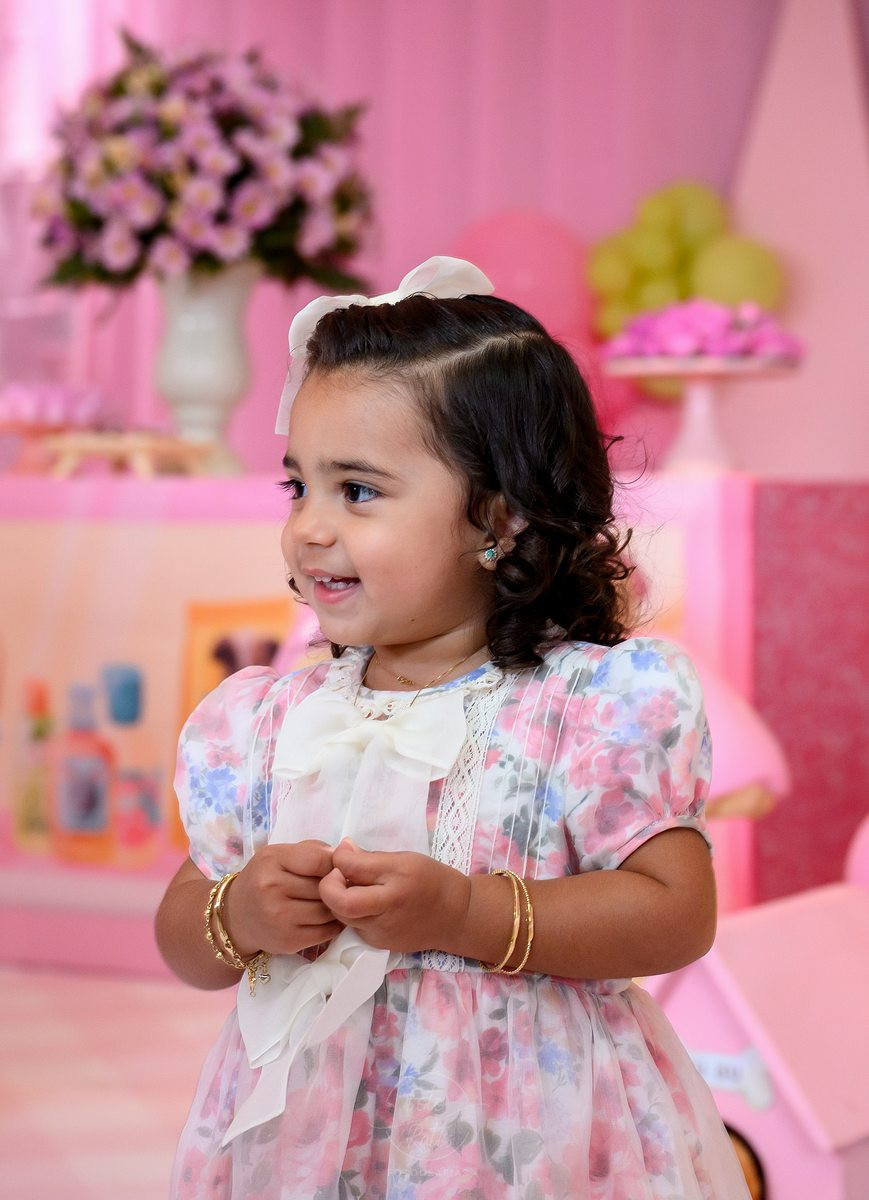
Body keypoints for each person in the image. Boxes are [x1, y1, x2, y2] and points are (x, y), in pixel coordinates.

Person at [156, 257, 750, 1199]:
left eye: (357, 491)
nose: (309, 528)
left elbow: (676, 912)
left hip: (525, 1148)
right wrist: (238, 914)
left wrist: (465, 913)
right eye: (297, 487)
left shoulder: (584, 707)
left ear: (496, 517)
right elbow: (183, 934)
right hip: (305, 1149)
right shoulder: (263, 721)